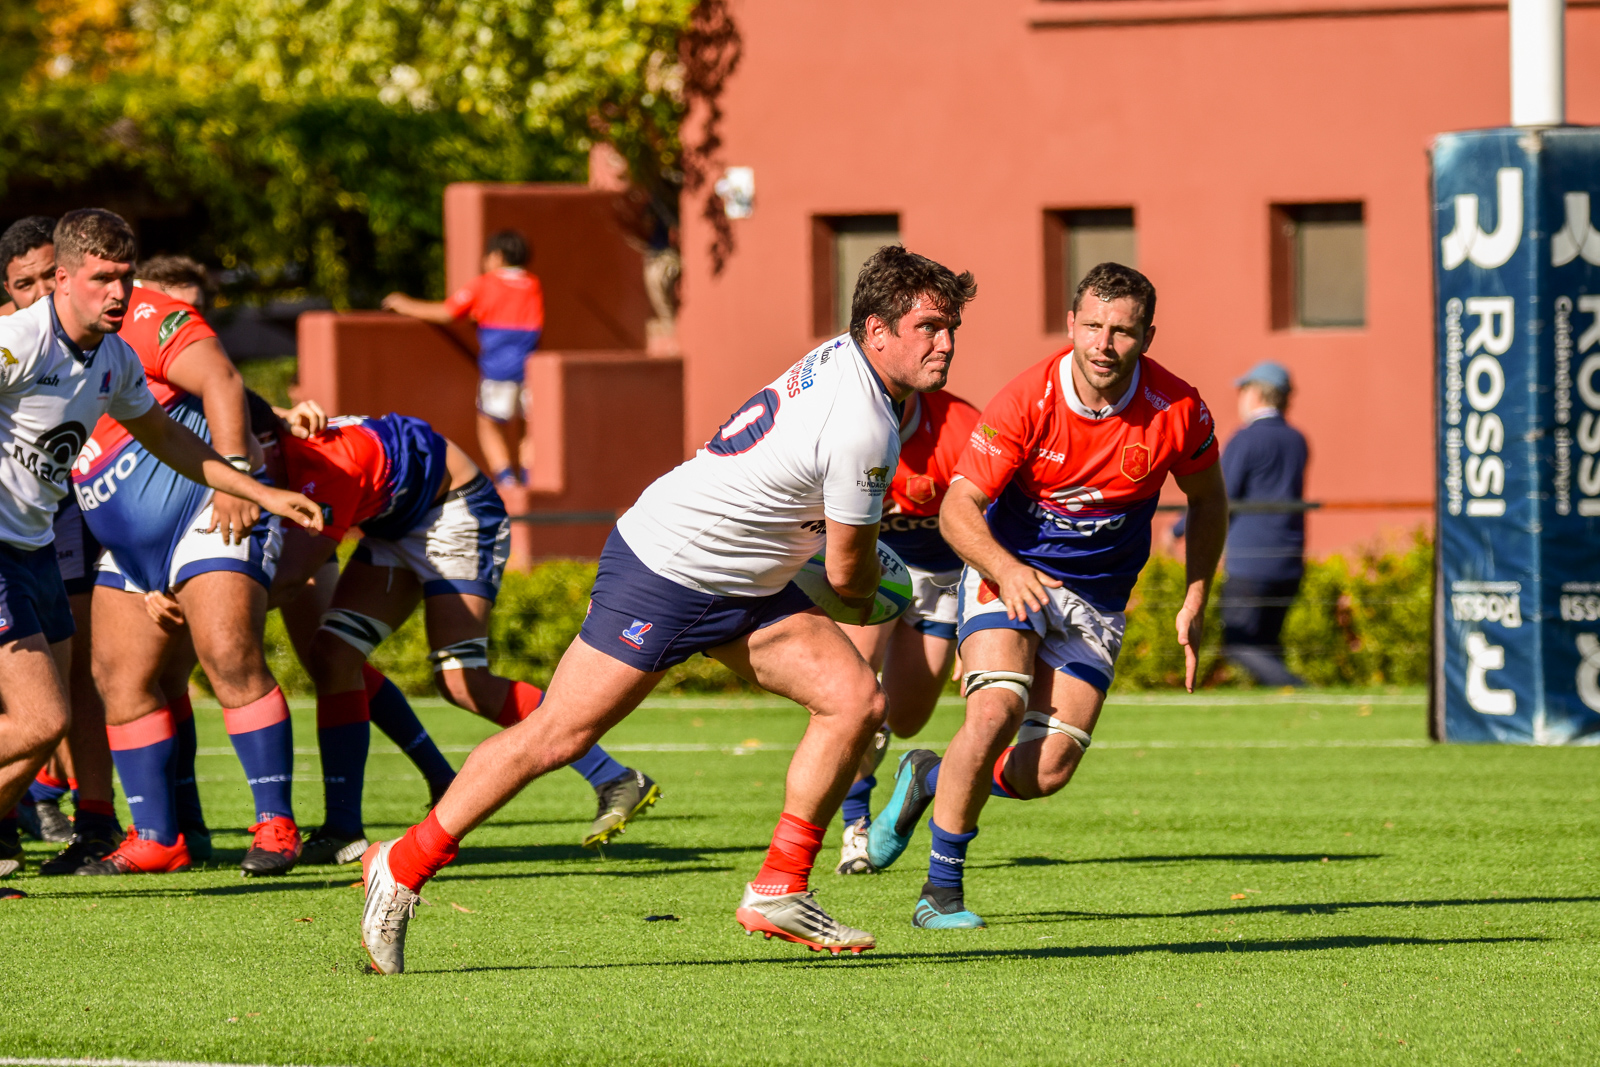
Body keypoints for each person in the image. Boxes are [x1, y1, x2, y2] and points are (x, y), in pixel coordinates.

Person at [356, 246, 976, 973]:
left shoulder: (852, 365)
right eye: (929, 326)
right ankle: (401, 864)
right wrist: (882, 592)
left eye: (951, 327)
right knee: (557, 735)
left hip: (744, 579)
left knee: (854, 701)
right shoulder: (864, 421)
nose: (945, 343)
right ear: (876, 329)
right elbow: (847, 573)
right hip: (669, 568)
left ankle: (780, 885)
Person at [866, 262, 1229, 929]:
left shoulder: (1177, 409)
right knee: (994, 711)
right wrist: (1007, 571)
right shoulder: (1027, 399)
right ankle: (941, 892)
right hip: (1009, 574)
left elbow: (1209, 499)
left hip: (1096, 600)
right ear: (1071, 325)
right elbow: (958, 510)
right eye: (1092, 326)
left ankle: (928, 775)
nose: (1104, 344)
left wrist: (1195, 596)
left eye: (1122, 331)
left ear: (1147, 336)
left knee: (1048, 772)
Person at [0, 208, 322, 898]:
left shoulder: (114, 356)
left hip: (31, 548)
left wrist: (257, 491)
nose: (119, 292)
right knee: (40, 721)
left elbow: (172, 440)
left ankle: (150, 830)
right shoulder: (17, 343)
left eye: (124, 276)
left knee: (50, 719)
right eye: (101, 278)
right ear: (62, 279)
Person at [237, 391, 660, 863]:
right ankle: (343, 828)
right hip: (395, 521)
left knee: (463, 681)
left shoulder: (326, 467)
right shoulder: (275, 435)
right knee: (332, 656)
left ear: (265, 442)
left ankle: (614, 776)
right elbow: (249, 410)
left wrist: (213, 621)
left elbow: (292, 578)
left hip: (454, 509)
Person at [71, 250, 316, 877]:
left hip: (209, 512)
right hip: (130, 546)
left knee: (230, 656)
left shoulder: (148, 316)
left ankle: (276, 824)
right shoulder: (30, 344)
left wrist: (233, 477)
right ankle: (158, 837)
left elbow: (225, 384)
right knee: (118, 678)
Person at [833, 386, 980, 875]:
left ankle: (909, 771)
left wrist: (976, 625)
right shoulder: (835, 419)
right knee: (853, 694)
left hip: (943, 578)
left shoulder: (961, 427)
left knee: (908, 718)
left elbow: (993, 525)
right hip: (873, 563)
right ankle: (855, 825)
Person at [382, 230, 543, 488]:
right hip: (531, 371)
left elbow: (448, 312)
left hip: (498, 371)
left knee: (488, 423)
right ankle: (529, 479)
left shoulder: (485, 284)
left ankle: (506, 480)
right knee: (529, 427)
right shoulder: (532, 284)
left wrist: (405, 304)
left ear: (497, 256)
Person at [1214, 361, 1308, 687]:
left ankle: (1298, 689)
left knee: (1238, 644)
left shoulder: (1245, 440)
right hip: (1289, 559)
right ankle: (1291, 701)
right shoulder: (1297, 440)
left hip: (1250, 563)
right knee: (1268, 644)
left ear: (1255, 393)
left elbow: (1219, 496)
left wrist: (1180, 529)